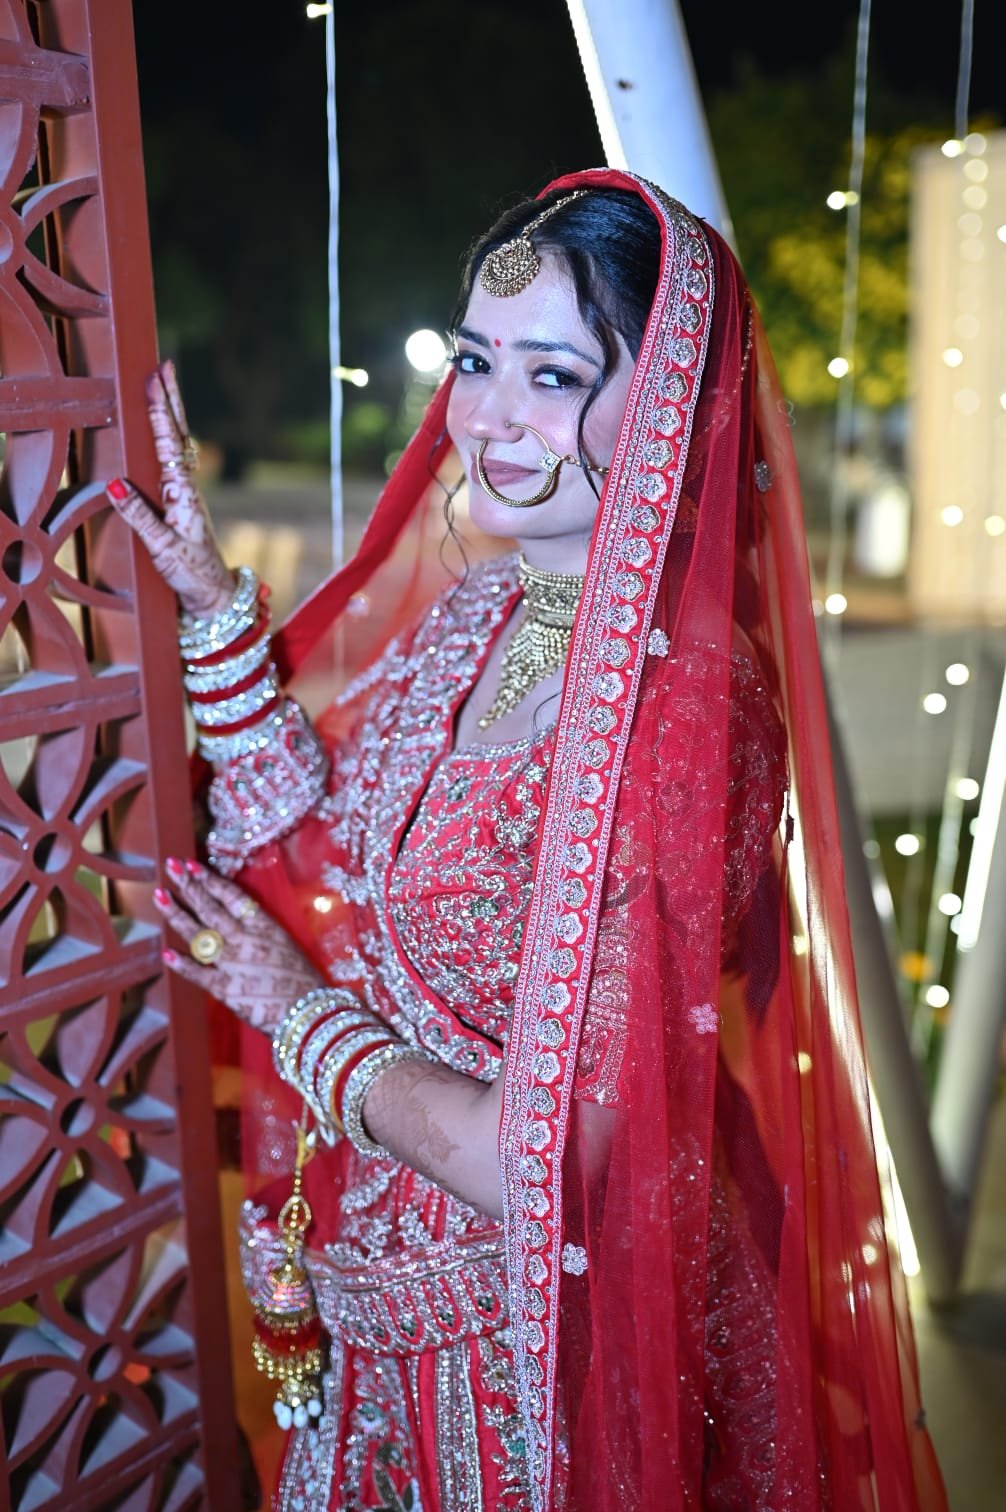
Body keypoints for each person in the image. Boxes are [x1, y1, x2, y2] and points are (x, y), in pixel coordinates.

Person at [107, 169, 947, 1512]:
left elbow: (547, 1163)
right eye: (477, 361)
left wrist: (294, 1013)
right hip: (378, 1309)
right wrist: (211, 606)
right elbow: (343, 853)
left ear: (665, 407)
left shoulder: (685, 716)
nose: (487, 416)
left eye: (552, 376)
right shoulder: (493, 608)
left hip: (542, 1359)